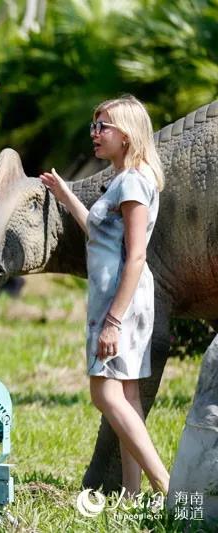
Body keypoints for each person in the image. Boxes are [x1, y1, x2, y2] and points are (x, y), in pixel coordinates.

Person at [40, 95, 169, 496]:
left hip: (120, 302)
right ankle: (133, 495)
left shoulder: (131, 181)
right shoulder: (129, 177)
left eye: (104, 127)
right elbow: (101, 236)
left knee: (104, 393)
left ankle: (168, 487)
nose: (95, 134)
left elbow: (135, 256)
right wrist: (67, 197)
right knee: (126, 397)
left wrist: (113, 320)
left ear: (127, 135)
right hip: (123, 299)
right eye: (94, 125)